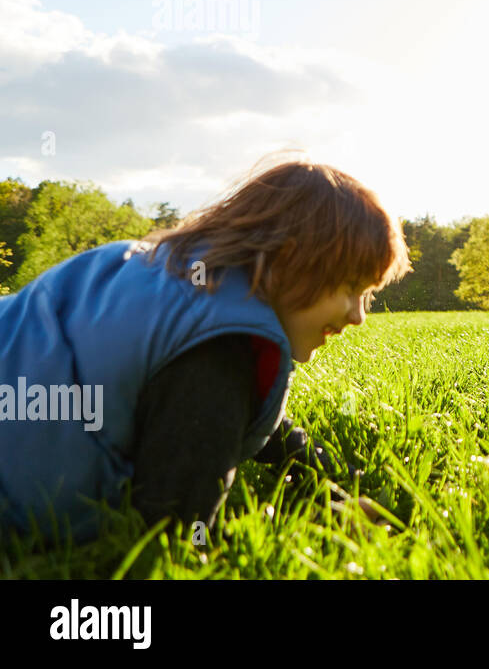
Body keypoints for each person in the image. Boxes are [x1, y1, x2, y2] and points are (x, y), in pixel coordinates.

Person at [0, 157, 411, 541]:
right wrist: (327, 526)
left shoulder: (186, 290)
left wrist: (333, 478)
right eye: (350, 288)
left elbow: (259, 428)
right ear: (290, 261)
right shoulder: (218, 355)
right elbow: (175, 529)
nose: (359, 316)